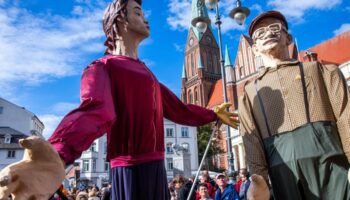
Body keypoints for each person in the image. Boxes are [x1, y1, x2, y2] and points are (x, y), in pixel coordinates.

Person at [0, 0, 239, 200]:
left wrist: (212, 113)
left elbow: (179, 109)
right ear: (119, 20)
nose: (146, 19)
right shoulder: (102, 67)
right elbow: (96, 111)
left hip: (156, 168)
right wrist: (56, 153)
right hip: (130, 169)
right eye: (138, 12)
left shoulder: (148, 75)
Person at [239, 10, 350, 199]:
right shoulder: (250, 93)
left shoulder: (322, 71)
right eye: (260, 33)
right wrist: (259, 179)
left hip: (330, 162)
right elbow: (252, 139)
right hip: (283, 172)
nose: (268, 33)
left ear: (288, 38)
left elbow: (345, 115)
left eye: (275, 28)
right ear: (255, 49)